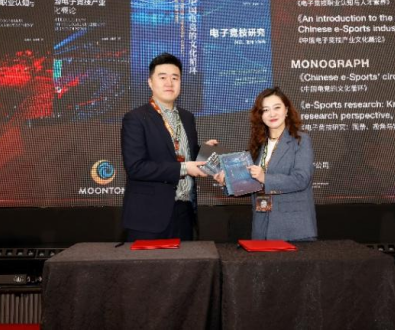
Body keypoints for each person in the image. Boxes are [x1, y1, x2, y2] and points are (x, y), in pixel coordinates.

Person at [121, 53, 214, 241]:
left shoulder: (187, 117)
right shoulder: (136, 118)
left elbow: (181, 155)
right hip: (149, 217)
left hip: (185, 212)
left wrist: (203, 152)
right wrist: (184, 168)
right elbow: (135, 167)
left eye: (175, 78)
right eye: (162, 77)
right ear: (150, 82)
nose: (169, 83)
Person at [217, 87, 317, 241]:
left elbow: (301, 179)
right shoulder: (258, 144)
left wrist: (265, 178)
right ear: (260, 115)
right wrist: (228, 183)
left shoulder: (300, 140)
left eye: (277, 108)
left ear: (286, 110)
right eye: (265, 110)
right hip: (261, 226)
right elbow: (252, 184)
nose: (272, 114)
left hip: (293, 228)